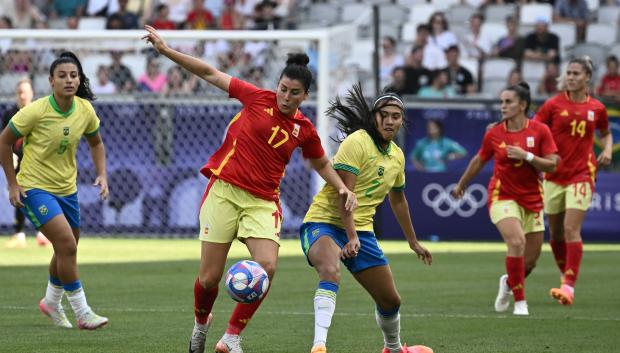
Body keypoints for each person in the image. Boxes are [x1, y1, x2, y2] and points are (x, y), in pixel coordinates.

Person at [142, 25, 357, 353]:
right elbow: (211, 73)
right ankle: (201, 326)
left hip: (262, 202)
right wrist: (167, 51)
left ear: (305, 96)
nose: (286, 97)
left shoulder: (305, 129)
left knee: (267, 267)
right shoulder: (257, 97)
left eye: (294, 93)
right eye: (283, 89)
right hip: (224, 192)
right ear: (277, 85)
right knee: (209, 279)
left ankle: (231, 337)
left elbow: (321, 163)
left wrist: (343, 187)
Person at [300, 85, 433, 353]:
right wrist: (350, 237)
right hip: (324, 222)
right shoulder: (357, 141)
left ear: (401, 120)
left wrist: (413, 241)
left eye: (395, 116)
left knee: (390, 300)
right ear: (375, 116)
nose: (389, 120)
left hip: (361, 232)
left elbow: (398, 200)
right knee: (330, 270)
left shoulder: (397, 156)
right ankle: (319, 346)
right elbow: (344, 195)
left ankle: (393, 349)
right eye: (384, 114)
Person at [0, 51, 110, 329]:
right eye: (62, 76)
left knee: (65, 249)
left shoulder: (84, 110)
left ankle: (50, 302)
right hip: (34, 188)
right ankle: (82, 312)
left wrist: (102, 174)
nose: (69, 80)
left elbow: (96, 143)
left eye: (73, 75)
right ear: (51, 81)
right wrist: (12, 183)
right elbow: (4, 142)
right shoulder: (35, 111)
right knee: (67, 245)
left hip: (67, 189)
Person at [453, 82, 559, 315]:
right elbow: (479, 160)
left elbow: (553, 165)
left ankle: (508, 282)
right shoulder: (494, 132)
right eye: (501, 101)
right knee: (517, 243)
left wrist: (527, 156)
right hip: (503, 196)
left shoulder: (540, 130)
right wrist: (462, 185)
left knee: (529, 262)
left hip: (533, 198)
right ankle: (520, 303)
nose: (503, 106)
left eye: (508, 101)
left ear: (522, 105)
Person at [533, 56, 613, 306]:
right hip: (555, 175)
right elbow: (533, 129)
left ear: (587, 77)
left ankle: (568, 285)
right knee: (555, 233)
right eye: (569, 72)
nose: (571, 77)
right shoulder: (553, 105)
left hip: (582, 173)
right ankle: (564, 275)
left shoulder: (597, 108)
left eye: (576, 73)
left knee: (570, 229)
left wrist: (608, 149)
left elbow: (606, 134)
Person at [2, 78, 51, 248]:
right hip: (17, 163)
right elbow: (4, 141)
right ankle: (20, 233)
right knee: (18, 195)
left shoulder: (38, 114)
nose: (22, 96)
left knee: (39, 196)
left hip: (36, 163)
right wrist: (9, 156)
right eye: (19, 92)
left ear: (32, 94)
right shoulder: (9, 114)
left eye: (25, 92)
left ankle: (43, 232)